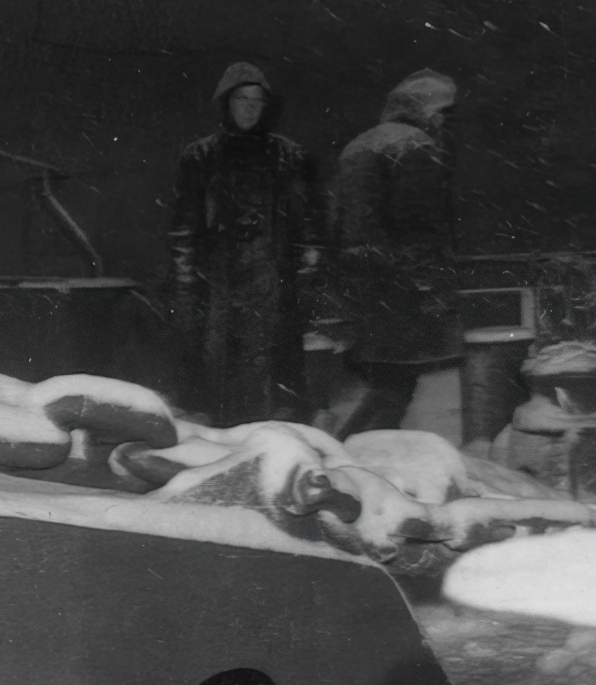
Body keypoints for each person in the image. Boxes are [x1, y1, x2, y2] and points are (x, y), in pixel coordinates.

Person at [168, 62, 322, 426]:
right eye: (241, 99)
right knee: (217, 371)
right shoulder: (201, 156)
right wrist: (185, 280)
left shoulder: (289, 156)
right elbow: (184, 225)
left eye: (257, 101)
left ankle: (272, 440)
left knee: (274, 372)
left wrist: (307, 268)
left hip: (273, 281)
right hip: (217, 283)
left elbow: (308, 223)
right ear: (226, 102)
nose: (250, 108)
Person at [330, 69, 462, 436]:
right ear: (425, 109)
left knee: (385, 381)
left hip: (361, 282)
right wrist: (430, 286)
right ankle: (352, 451)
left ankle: (352, 447)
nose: (443, 121)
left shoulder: (359, 145)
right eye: (441, 111)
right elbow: (419, 223)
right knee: (396, 386)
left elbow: (340, 218)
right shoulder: (416, 146)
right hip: (400, 285)